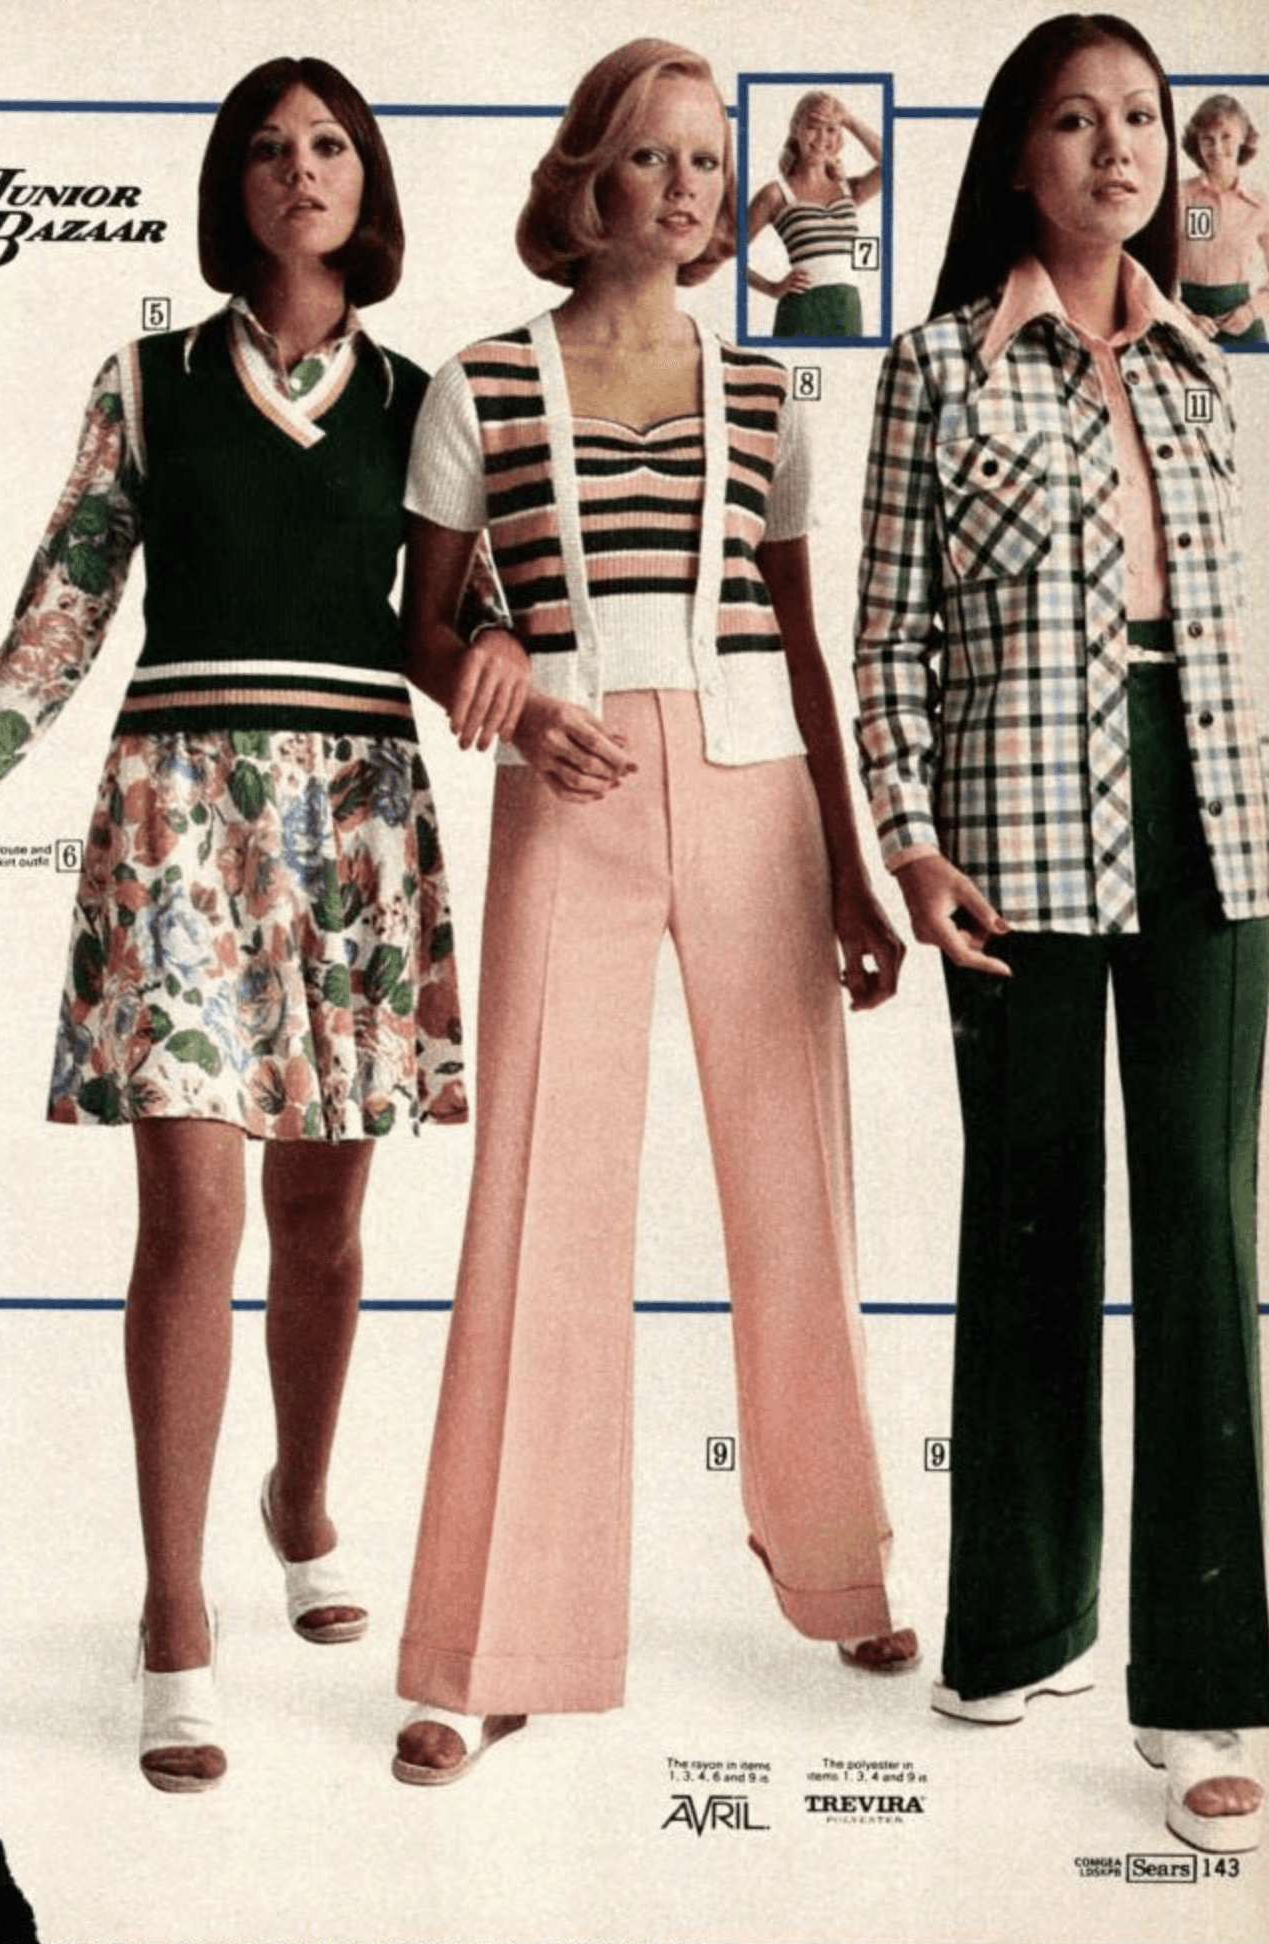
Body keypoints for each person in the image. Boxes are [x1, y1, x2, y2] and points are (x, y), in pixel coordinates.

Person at [0, 56, 472, 1794]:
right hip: (177, 822)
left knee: (324, 1225)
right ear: (232, 186)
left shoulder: (426, 399)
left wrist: (517, 658)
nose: (301, 169)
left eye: (331, 144)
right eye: (268, 149)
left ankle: (301, 1498)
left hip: (354, 830)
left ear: (369, 183)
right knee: (193, 1214)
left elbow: (470, 615)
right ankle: (175, 1610)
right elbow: (57, 625)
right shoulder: (144, 383)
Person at [390, 36, 916, 1790]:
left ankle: (837, 1564)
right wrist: (502, 684)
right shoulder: (478, 381)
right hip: (570, 788)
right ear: (585, 179)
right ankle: (498, 1644)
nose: (683, 190)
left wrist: (851, 863)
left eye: (705, 161)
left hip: (761, 789)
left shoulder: (768, 393)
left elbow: (805, 640)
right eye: (647, 157)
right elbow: (424, 621)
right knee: (540, 1201)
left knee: (797, 1189)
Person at [854, 13, 1269, 1853]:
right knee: (1028, 1211)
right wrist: (909, 842)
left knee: (1203, 1224)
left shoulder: (1204, 368)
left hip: (1217, 818)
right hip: (1011, 828)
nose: (1121, 149)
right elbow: (889, 641)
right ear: (1018, 159)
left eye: (1144, 120)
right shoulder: (936, 369)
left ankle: (1209, 1684)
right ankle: (1017, 1622)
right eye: (1079, 121)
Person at [746, 90, 882, 337]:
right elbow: (727, 255)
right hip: (801, 310)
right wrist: (771, 288)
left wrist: (848, 119)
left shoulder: (849, 190)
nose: (821, 138)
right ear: (796, 129)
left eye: (831, 129)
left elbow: (892, 163)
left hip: (847, 309)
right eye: (812, 127)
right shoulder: (775, 194)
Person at [1177, 92, 1269, 344]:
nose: (1217, 148)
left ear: (1243, 137)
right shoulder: (1176, 198)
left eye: (1226, 136)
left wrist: (1251, 312)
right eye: (1207, 139)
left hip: (1243, 329)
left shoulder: (1261, 207)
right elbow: (1151, 271)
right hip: (1187, 328)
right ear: (1197, 144)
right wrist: (1183, 316)